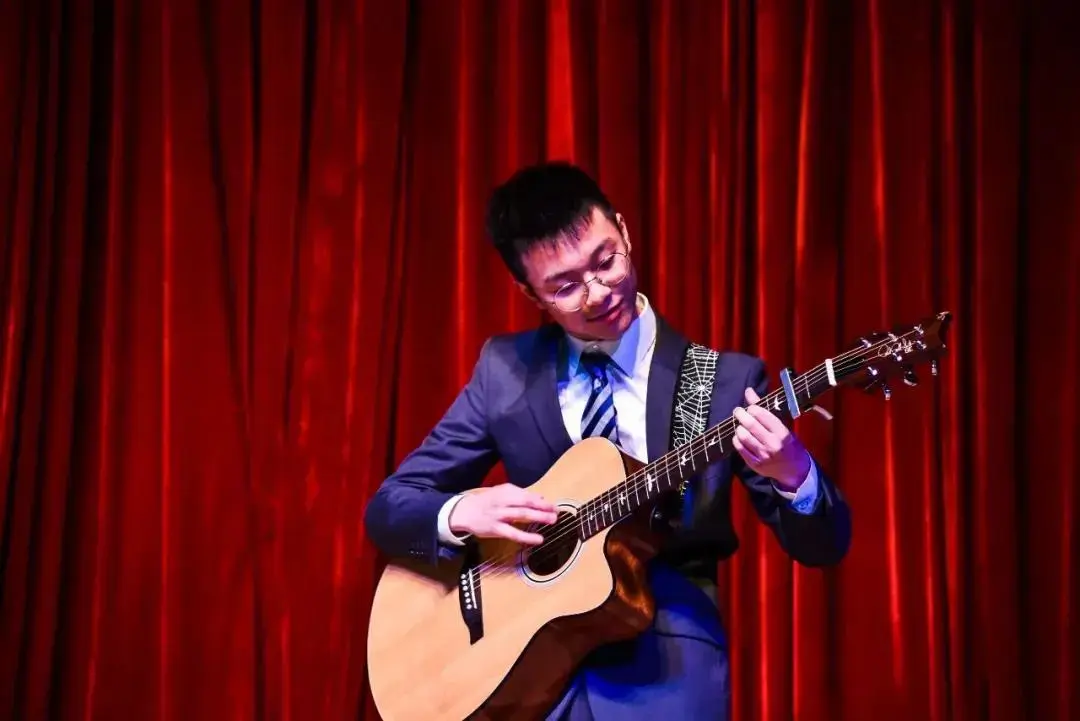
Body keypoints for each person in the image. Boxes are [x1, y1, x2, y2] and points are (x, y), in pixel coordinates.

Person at [364, 161, 852, 720]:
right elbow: (389, 507)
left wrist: (793, 474)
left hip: (664, 668)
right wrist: (460, 512)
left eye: (605, 261)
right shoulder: (505, 372)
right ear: (529, 292)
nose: (598, 293)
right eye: (565, 287)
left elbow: (824, 546)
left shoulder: (723, 382)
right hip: (522, 669)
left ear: (623, 230)